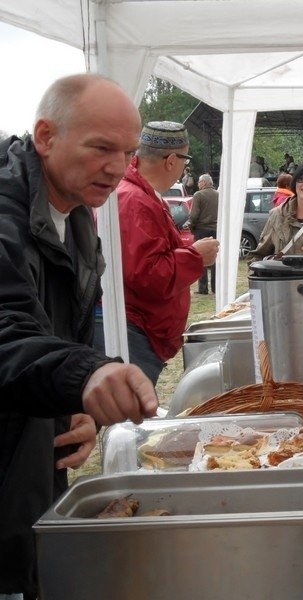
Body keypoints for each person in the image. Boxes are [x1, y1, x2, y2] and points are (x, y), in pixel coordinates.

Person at [0, 73, 159, 598]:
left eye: (128, 152)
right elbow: (9, 330)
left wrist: (78, 407)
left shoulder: (76, 216)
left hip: (32, 473)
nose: (117, 167)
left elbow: (60, 333)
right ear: (46, 136)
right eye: (101, 148)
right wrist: (86, 373)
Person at [95, 121, 220, 386]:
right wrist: (195, 257)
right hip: (134, 333)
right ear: (172, 160)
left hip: (136, 329)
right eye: (185, 161)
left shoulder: (137, 194)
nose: (184, 168)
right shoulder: (134, 200)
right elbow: (146, 274)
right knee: (126, 420)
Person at [190, 173, 220, 294]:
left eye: (199, 182)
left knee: (201, 258)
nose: (197, 184)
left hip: (202, 229)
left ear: (204, 183)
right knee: (215, 259)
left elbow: (194, 215)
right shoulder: (219, 195)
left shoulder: (199, 195)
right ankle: (215, 287)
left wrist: (191, 227)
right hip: (216, 229)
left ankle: (203, 288)